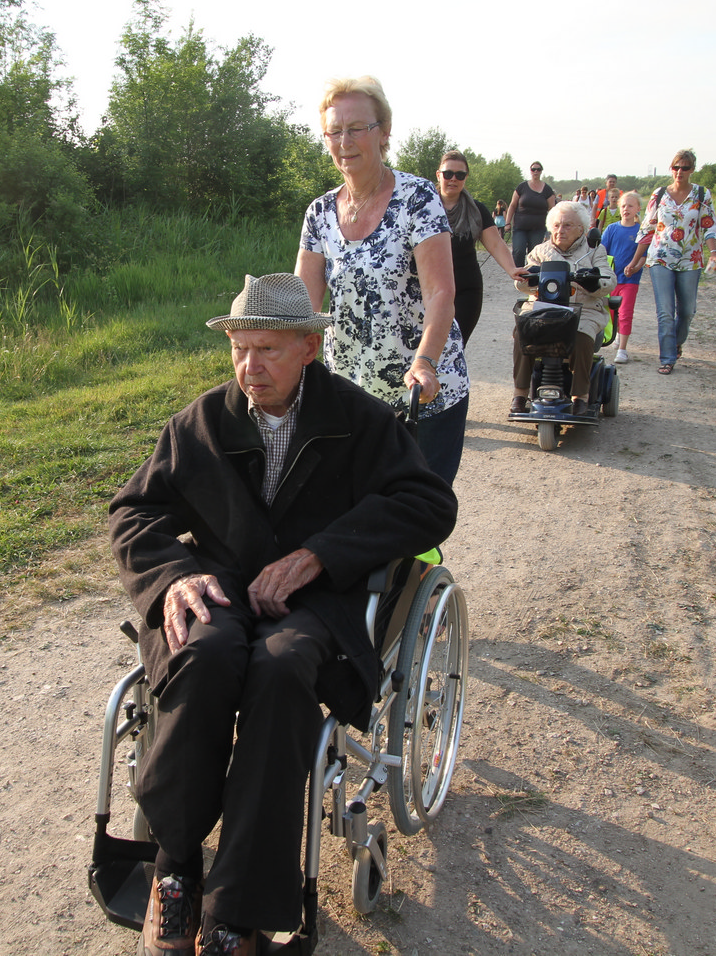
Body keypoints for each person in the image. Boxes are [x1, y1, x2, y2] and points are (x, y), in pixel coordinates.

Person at [110, 273, 457, 956]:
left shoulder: (359, 420)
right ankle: (175, 871)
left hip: (316, 602)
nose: (250, 366)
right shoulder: (202, 423)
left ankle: (237, 911)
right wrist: (173, 577)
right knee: (202, 654)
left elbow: (427, 504)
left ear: (308, 348)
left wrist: (320, 554)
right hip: (221, 587)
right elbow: (134, 511)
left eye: (267, 349)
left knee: (281, 669)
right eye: (239, 349)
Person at [295, 76, 469, 483]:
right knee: (357, 511)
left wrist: (425, 362)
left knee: (419, 512)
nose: (345, 141)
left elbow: (441, 291)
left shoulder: (418, 198)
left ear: (384, 132)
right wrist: (267, 346)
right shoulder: (319, 213)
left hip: (424, 394)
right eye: (335, 131)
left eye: (357, 128)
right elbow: (302, 305)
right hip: (352, 397)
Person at [511, 201, 613, 416]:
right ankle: (520, 394)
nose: (560, 230)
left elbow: (609, 280)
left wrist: (592, 281)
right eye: (556, 225)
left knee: (582, 335)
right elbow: (520, 282)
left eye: (567, 225)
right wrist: (530, 279)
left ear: (581, 229)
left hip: (583, 309)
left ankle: (580, 397)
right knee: (523, 332)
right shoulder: (540, 251)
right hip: (544, 308)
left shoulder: (594, 251)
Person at [626, 149, 716, 374]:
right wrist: (635, 261)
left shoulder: (701, 194)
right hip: (661, 258)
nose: (680, 172)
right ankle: (667, 358)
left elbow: (709, 225)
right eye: (676, 167)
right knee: (665, 311)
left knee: (687, 311)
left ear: (692, 170)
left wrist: (714, 253)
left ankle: (676, 342)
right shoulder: (660, 194)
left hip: (691, 260)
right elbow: (647, 229)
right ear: (671, 169)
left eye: (685, 168)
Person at [435, 150, 525, 346]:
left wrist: (512, 269)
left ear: (466, 177)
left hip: (466, 290)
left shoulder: (477, 210)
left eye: (460, 175)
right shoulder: (423, 208)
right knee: (427, 349)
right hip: (428, 289)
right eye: (448, 174)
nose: (453, 179)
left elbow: (495, 243)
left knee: (455, 347)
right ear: (438, 175)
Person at [605, 191, 644, 363]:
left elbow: (643, 256)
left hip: (630, 281)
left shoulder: (640, 231)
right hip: (612, 280)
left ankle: (622, 349)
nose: (626, 209)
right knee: (611, 312)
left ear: (638, 208)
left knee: (625, 313)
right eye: (623, 206)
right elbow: (602, 252)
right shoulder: (611, 229)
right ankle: (617, 335)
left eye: (630, 206)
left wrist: (635, 268)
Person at [503, 161, 557, 273]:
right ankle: (518, 273)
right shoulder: (522, 187)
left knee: (534, 253)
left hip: (538, 228)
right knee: (518, 251)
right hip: (520, 227)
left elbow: (552, 210)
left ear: (541, 171)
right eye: (533, 169)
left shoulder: (547, 190)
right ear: (530, 171)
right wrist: (507, 222)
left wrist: (554, 227)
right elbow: (512, 205)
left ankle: (532, 275)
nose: (535, 171)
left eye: (538, 169)